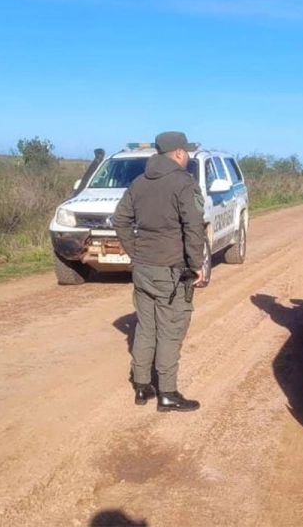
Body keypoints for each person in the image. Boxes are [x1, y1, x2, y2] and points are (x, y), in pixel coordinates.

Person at [112, 131, 206, 412]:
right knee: (171, 330)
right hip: (171, 269)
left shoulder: (139, 182)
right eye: (186, 151)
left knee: (146, 327)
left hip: (143, 267)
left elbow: (120, 220)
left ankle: (142, 386)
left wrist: (134, 251)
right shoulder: (183, 183)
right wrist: (196, 265)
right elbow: (193, 227)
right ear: (178, 153)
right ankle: (168, 393)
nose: (188, 155)